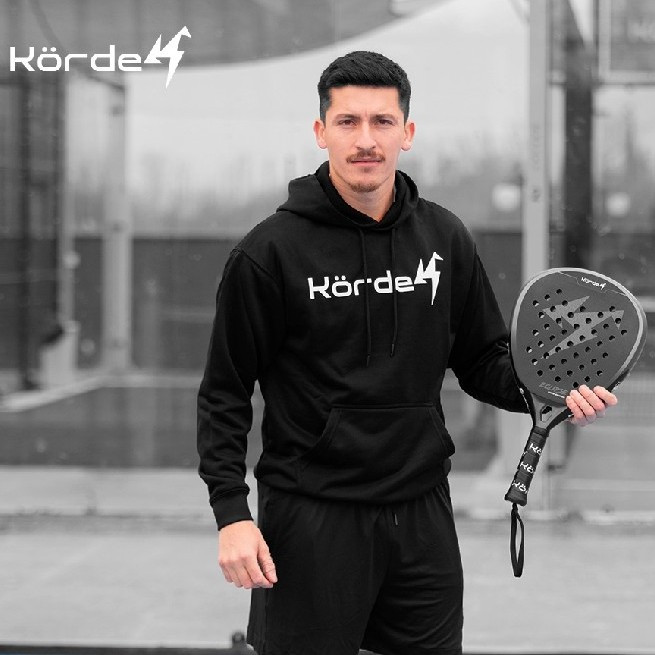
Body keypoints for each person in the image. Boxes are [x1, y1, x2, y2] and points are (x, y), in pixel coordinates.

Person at [197, 51, 617, 655]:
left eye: (382, 121)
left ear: (407, 132)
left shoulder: (445, 239)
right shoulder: (269, 253)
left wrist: (550, 392)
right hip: (312, 513)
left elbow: (482, 360)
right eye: (348, 121)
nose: (366, 140)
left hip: (421, 512)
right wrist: (232, 513)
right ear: (321, 132)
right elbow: (225, 393)